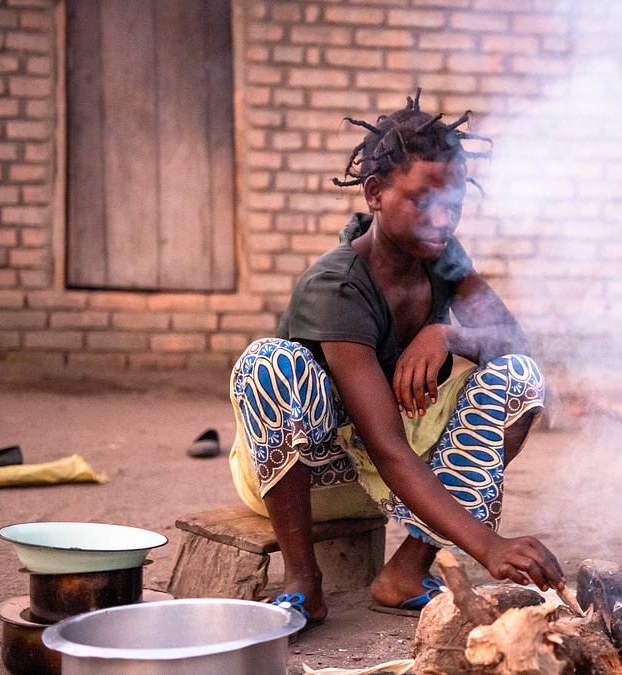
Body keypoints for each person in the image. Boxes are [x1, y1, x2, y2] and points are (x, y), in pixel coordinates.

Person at [227, 91, 565, 622]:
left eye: (453, 204)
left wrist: (447, 335)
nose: (441, 219)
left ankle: (405, 572)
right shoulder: (336, 286)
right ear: (375, 192)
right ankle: (302, 581)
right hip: (313, 478)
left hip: (389, 479)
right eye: (423, 201)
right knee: (269, 362)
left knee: (518, 377)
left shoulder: (444, 259)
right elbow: (387, 447)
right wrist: (488, 546)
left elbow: (514, 341)